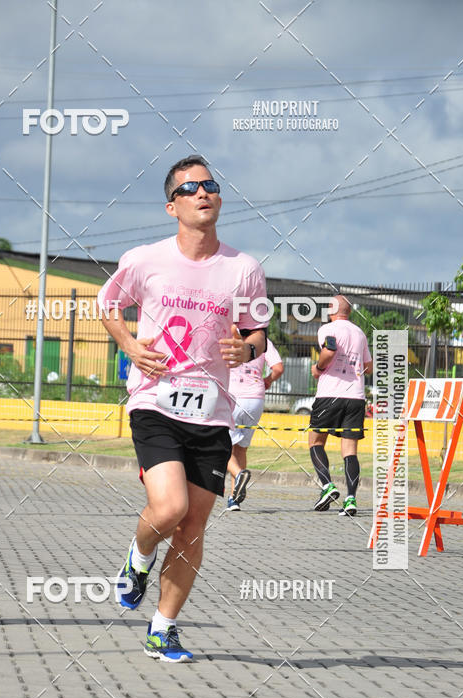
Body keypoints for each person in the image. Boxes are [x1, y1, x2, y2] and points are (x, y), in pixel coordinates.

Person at [99, 155, 267, 662]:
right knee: (169, 509)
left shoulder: (244, 268)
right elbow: (107, 305)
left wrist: (250, 349)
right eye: (191, 188)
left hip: (213, 411)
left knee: (193, 527)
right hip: (155, 401)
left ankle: (163, 628)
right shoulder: (145, 260)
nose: (204, 193)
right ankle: (139, 556)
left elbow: (259, 331)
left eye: (211, 186)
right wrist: (129, 345)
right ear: (172, 205)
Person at [308, 294, 372, 516]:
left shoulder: (329, 329)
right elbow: (369, 367)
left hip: (330, 395)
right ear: (350, 311)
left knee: (315, 441)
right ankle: (351, 499)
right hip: (356, 398)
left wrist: (319, 367)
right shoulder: (360, 333)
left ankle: (327, 486)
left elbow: (330, 349)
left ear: (331, 310)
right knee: (350, 451)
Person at [226, 338, 284, 511]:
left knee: (222, 447)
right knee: (241, 448)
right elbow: (278, 368)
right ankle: (233, 498)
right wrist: (268, 380)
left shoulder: (229, 337)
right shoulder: (263, 341)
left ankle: (238, 475)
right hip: (256, 399)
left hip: (233, 396)